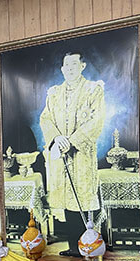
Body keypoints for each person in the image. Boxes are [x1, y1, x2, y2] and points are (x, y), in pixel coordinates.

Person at [40, 52, 105, 246]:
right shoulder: (53, 93)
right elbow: (46, 118)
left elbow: (97, 120)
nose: (69, 68)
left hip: (81, 155)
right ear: (62, 69)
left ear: (82, 66)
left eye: (74, 64)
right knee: (66, 199)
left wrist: (72, 141)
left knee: (82, 197)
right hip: (60, 154)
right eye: (66, 65)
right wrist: (57, 138)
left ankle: (88, 247)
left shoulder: (93, 90)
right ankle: (72, 247)